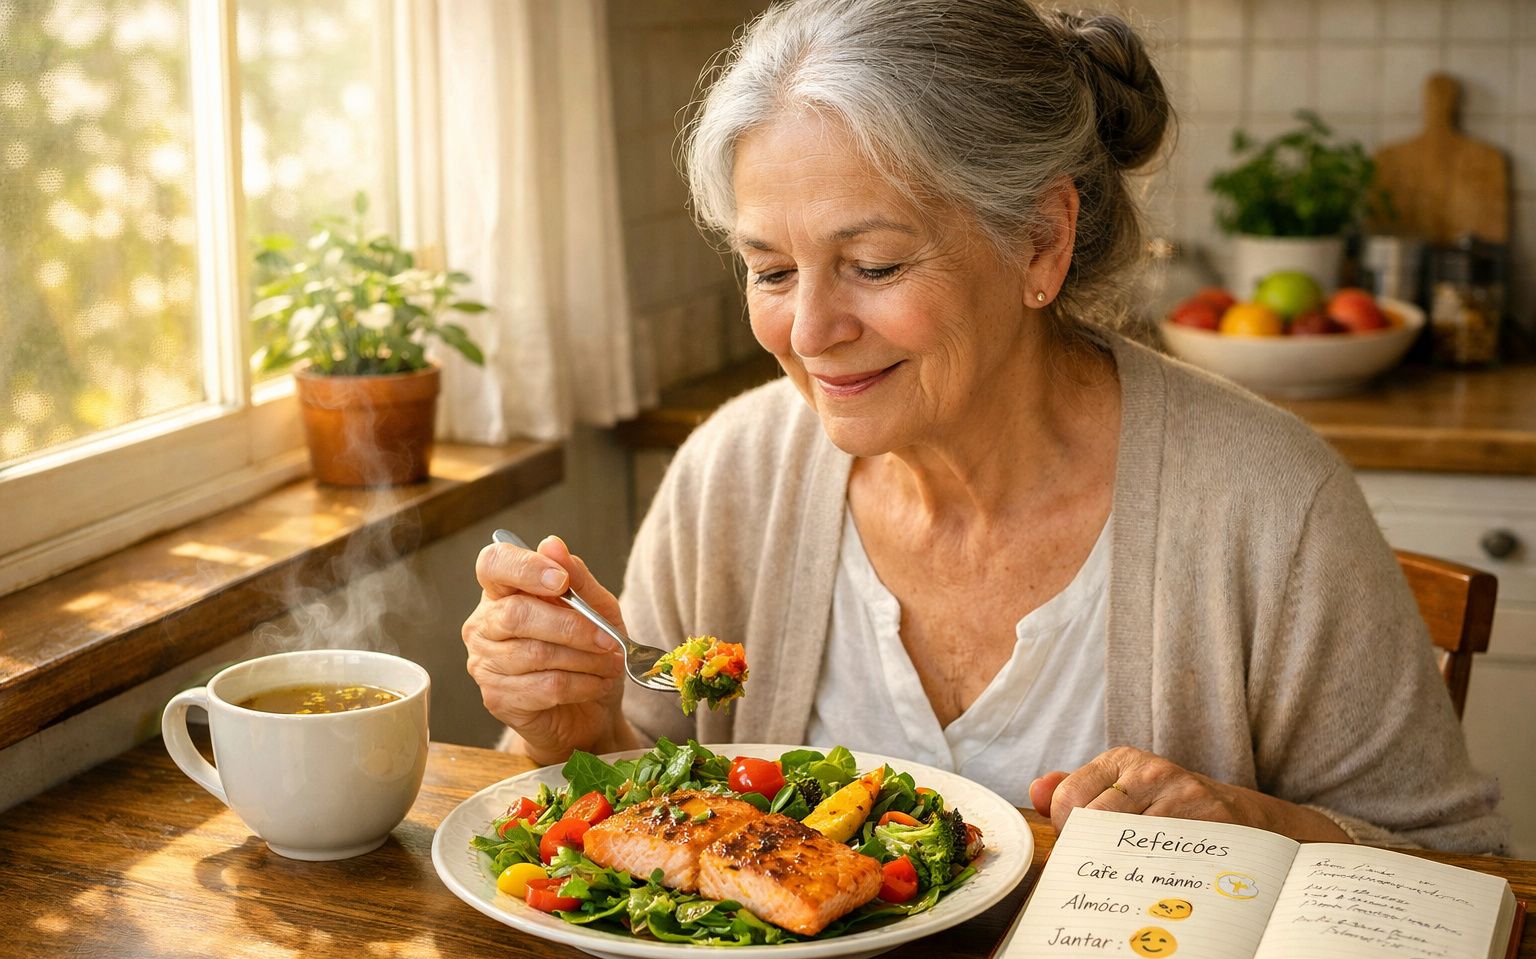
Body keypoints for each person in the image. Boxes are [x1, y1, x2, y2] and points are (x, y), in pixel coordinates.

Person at [463, 0, 1505, 852]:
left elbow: (1461, 874)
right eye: (770, 270)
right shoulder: (731, 473)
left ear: (1042, 241)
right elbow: (634, 801)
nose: (810, 332)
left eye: (874, 265)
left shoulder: (1268, 500)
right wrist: (576, 729)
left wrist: (1261, 829)